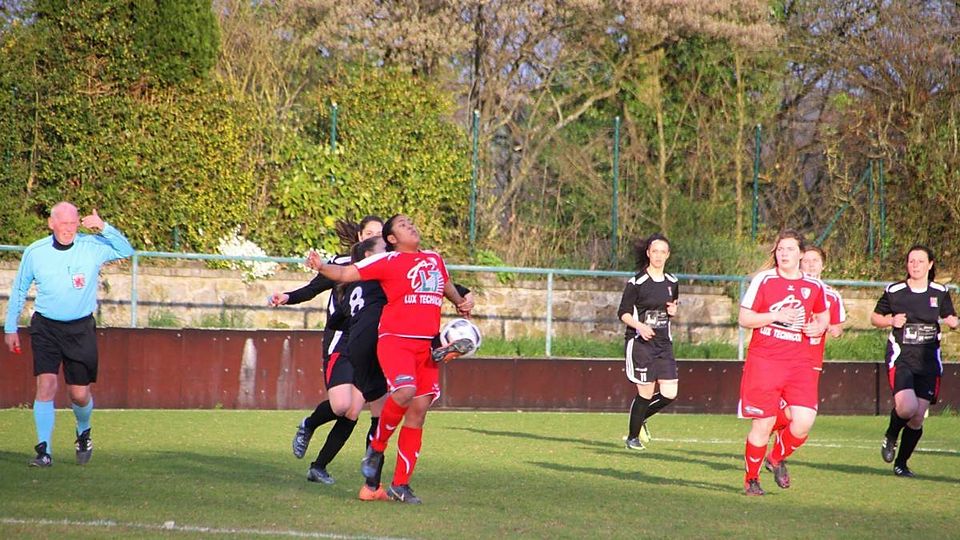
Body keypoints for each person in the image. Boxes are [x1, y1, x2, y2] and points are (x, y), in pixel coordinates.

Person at [306, 214, 473, 504]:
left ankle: (400, 485)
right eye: (403, 225)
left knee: (418, 413)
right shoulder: (388, 261)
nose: (411, 226)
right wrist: (321, 266)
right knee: (405, 391)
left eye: (411, 222)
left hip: (426, 346)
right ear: (392, 239)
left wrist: (460, 301)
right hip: (396, 341)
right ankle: (377, 447)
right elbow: (345, 274)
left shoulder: (434, 258)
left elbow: (445, 283)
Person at [4, 202, 134, 467]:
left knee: (79, 395)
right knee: (46, 385)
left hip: (80, 329)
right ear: (51, 223)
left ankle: (83, 432)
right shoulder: (35, 252)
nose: (69, 229)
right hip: (46, 327)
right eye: (63, 223)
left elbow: (126, 250)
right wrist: (10, 327)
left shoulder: (91, 246)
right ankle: (44, 451)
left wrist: (104, 227)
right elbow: (19, 290)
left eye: (73, 223)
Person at [269, 215, 383, 484]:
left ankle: (318, 467)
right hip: (341, 340)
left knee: (353, 411)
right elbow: (313, 288)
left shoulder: (387, 268)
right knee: (341, 405)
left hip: (368, 344)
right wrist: (287, 297)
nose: (374, 238)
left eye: (379, 234)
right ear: (360, 237)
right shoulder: (342, 264)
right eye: (369, 233)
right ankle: (308, 424)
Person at [737, 230, 829, 495]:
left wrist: (818, 326)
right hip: (765, 361)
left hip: (799, 362)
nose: (784, 254)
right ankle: (751, 480)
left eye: (790, 249)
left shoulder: (814, 286)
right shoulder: (765, 280)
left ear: (801, 254)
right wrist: (775, 315)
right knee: (763, 424)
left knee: (804, 420)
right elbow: (745, 319)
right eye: (780, 249)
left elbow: (823, 316)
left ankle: (775, 458)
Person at [870, 244, 958, 477]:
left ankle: (901, 464)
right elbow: (875, 317)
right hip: (902, 357)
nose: (915, 265)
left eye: (920, 261)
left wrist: (953, 322)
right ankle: (891, 435)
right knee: (907, 407)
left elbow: (950, 316)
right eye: (911, 261)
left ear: (930, 265)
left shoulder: (939, 291)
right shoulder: (896, 290)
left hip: (928, 361)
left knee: (918, 417)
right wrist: (891, 321)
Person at [770, 246, 847, 434]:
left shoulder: (832, 296)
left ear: (823, 265)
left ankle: (773, 433)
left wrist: (830, 328)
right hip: (782, 356)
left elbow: (838, 327)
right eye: (806, 261)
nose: (811, 265)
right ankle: (769, 432)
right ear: (799, 262)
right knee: (784, 406)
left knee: (799, 412)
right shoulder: (790, 289)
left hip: (811, 361)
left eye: (815, 261)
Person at [617, 233, 679, 450]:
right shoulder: (637, 282)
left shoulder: (672, 282)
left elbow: (670, 308)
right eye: (655, 251)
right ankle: (632, 438)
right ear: (648, 254)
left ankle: (641, 417)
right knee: (645, 392)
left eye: (663, 252)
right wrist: (640, 326)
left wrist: (673, 311)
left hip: (663, 344)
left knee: (670, 393)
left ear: (668, 255)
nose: (659, 256)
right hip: (641, 344)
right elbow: (623, 313)